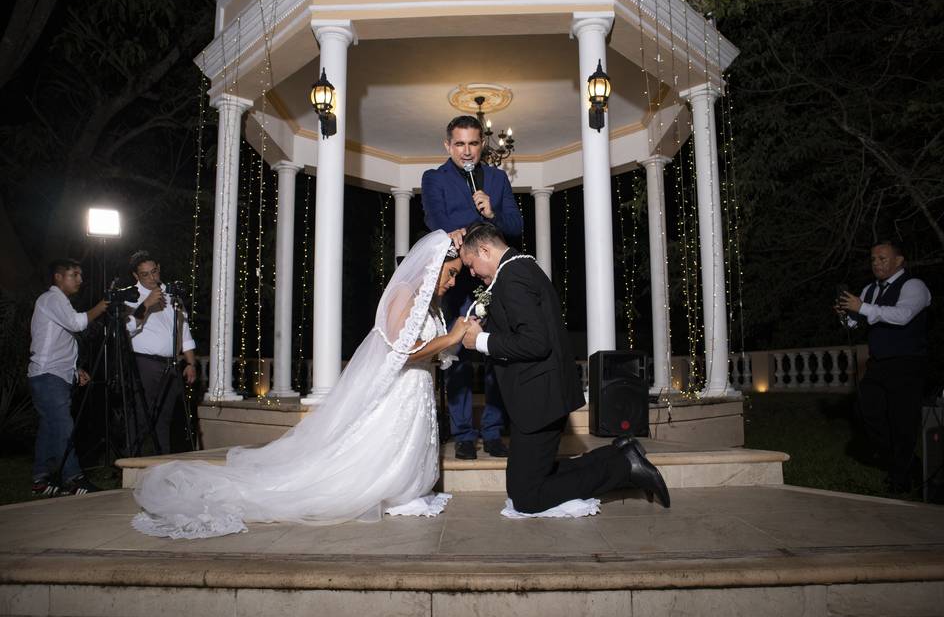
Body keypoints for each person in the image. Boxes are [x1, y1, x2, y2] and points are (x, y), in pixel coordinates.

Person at [132, 230, 471, 538]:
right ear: (431, 265)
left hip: (415, 392)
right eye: (451, 272)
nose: (453, 281)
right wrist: (451, 337)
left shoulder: (430, 306)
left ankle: (405, 490)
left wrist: (454, 340)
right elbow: (401, 352)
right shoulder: (404, 295)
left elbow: (426, 351)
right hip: (400, 392)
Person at [459, 222, 670, 513]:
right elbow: (524, 328)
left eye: (471, 265)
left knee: (526, 499)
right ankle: (621, 454)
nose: (472, 273)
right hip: (541, 394)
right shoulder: (520, 267)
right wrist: (486, 325)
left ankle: (623, 466)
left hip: (538, 398)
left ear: (484, 250)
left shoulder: (512, 276)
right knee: (523, 485)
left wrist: (481, 340)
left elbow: (535, 342)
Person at [421, 115, 523, 460]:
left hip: (496, 279)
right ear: (448, 145)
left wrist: (492, 212)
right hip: (458, 280)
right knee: (458, 355)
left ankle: (493, 431)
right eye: (460, 144)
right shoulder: (435, 178)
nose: (467, 151)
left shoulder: (496, 178)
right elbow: (436, 219)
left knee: (498, 351)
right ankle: (464, 433)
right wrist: (472, 222)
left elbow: (515, 226)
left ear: (483, 145)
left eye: (474, 144)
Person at [837, 240, 931, 493]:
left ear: (899, 261)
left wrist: (862, 307)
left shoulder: (914, 286)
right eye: (873, 259)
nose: (876, 263)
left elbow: (902, 316)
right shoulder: (869, 289)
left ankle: (901, 479)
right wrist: (846, 314)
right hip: (878, 365)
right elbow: (855, 324)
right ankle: (906, 463)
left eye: (882, 258)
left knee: (902, 421)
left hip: (907, 363)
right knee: (866, 411)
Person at [28, 259, 108, 496]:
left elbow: (56, 342)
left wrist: (75, 370)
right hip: (47, 375)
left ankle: (41, 481)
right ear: (58, 277)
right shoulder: (51, 299)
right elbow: (76, 323)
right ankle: (73, 479)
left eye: (81, 275)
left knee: (49, 428)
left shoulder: (59, 303)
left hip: (54, 375)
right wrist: (102, 306)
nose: (80, 280)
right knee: (64, 426)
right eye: (75, 275)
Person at [125, 251, 197, 455]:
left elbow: (184, 330)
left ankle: (162, 460)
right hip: (144, 363)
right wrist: (146, 304)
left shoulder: (172, 293)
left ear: (159, 268)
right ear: (136, 276)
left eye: (153, 271)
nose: (151, 277)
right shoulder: (131, 296)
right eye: (145, 274)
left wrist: (190, 363)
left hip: (171, 363)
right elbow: (128, 328)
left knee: (165, 416)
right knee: (141, 413)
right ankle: (132, 460)